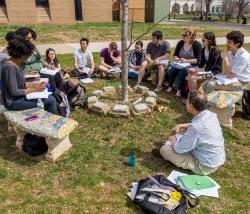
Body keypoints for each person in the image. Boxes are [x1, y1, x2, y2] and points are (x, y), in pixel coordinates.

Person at [157, 91, 225, 175]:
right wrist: (182, 125)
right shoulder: (211, 115)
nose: (186, 102)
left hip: (204, 166)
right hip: (213, 159)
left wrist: (172, 139)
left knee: (165, 150)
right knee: (182, 131)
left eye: (187, 101)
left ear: (191, 105)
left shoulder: (196, 128)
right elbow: (198, 126)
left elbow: (179, 149)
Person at [1, 37, 57, 114]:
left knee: (50, 97)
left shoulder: (16, 63)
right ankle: (52, 123)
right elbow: (14, 92)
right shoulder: (9, 68)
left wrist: (36, 85)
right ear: (20, 54)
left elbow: (20, 84)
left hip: (19, 98)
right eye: (27, 55)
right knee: (51, 100)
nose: (27, 58)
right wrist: (35, 89)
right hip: (13, 103)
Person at [166, 28, 202, 97]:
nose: (183, 36)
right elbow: (175, 54)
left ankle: (179, 90)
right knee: (172, 69)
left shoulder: (197, 45)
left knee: (183, 71)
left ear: (192, 36)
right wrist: (177, 58)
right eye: (183, 35)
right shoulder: (181, 43)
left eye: (185, 35)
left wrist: (186, 61)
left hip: (191, 65)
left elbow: (198, 60)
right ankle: (170, 86)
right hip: (180, 63)